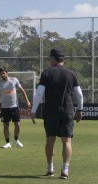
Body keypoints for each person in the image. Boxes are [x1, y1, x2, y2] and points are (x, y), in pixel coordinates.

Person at [31, 48, 83, 179]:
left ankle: (50, 169)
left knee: (50, 140)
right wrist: (80, 110)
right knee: (67, 141)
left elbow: (39, 93)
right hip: (67, 111)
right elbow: (79, 95)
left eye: (50, 58)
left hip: (50, 112)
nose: (49, 60)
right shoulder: (71, 74)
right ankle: (65, 171)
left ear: (54, 58)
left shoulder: (47, 73)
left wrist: (33, 110)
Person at [0, 67, 31, 149]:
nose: (2, 75)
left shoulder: (14, 80)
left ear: (7, 73)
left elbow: (22, 90)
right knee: (5, 125)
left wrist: (27, 101)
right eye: (0, 73)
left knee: (17, 124)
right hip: (4, 108)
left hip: (14, 107)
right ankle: (7, 143)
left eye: (3, 73)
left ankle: (16, 140)